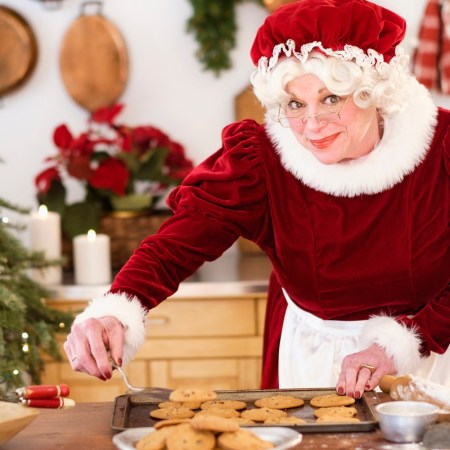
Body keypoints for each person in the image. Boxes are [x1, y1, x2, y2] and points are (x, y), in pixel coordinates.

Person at [64, 0, 450, 397]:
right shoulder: (261, 161)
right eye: (295, 104)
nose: (313, 125)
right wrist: (115, 309)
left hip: (433, 360)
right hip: (312, 364)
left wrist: (405, 341)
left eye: (331, 98)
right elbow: (177, 244)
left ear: (374, 92)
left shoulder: (442, 149)